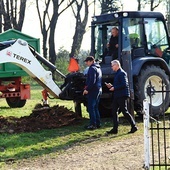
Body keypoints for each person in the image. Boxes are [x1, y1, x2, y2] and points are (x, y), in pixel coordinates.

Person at [105, 60, 138, 134]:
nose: (111, 67)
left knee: (124, 111)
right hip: (118, 95)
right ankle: (115, 129)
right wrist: (112, 86)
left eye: (112, 65)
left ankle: (134, 126)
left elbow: (124, 84)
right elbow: (120, 84)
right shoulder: (118, 73)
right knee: (114, 111)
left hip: (122, 95)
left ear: (117, 65)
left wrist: (114, 88)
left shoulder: (122, 73)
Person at [83, 56, 102, 130]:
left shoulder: (92, 68)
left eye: (87, 61)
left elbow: (92, 81)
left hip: (93, 90)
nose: (86, 63)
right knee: (96, 107)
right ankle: (98, 123)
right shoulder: (98, 68)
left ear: (91, 61)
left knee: (91, 108)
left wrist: (87, 89)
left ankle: (93, 124)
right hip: (99, 89)